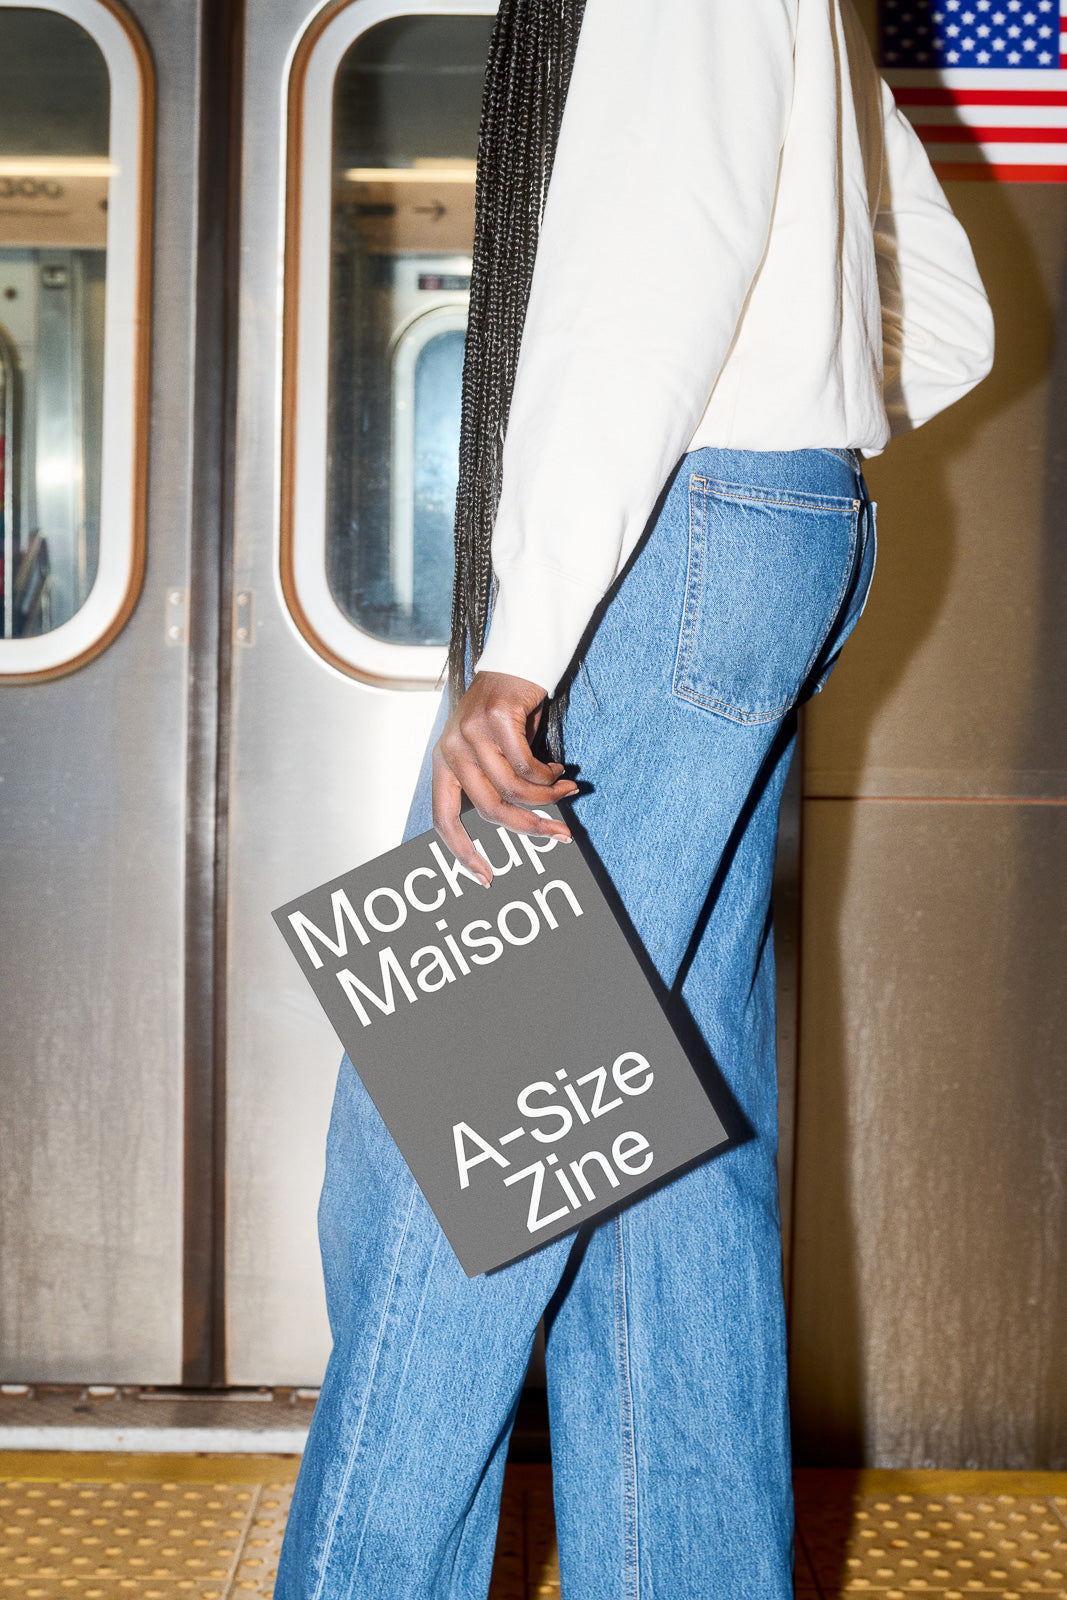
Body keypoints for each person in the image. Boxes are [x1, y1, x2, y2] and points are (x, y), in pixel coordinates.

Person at [275, 0, 994, 1594]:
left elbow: (637, 281)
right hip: (757, 524)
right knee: (660, 1162)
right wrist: (797, 420)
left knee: (442, 1147)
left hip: (662, 552)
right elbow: (943, 317)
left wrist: (526, 646)